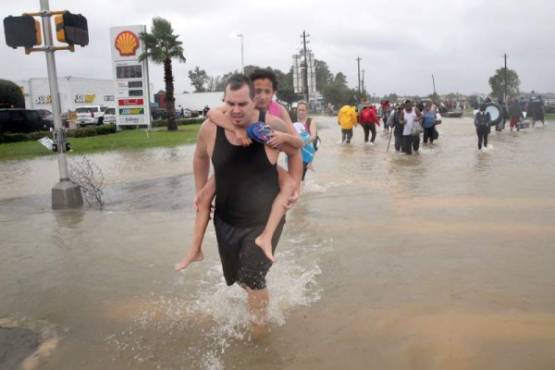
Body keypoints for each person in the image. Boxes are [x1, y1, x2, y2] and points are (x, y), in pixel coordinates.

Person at [182, 74, 303, 336]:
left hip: (263, 218)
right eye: (231, 104)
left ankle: (259, 333)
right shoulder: (210, 129)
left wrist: (294, 184)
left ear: (255, 103)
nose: (236, 110)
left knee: (253, 278)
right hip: (226, 218)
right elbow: (200, 158)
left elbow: (296, 152)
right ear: (224, 102)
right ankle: (256, 298)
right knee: (237, 279)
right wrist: (201, 190)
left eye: (242, 104)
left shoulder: (271, 125)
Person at [295, 100, 318, 180]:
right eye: (299, 110)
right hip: (296, 151)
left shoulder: (310, 121)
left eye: (303, 110)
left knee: (300, 176)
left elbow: (313, 136)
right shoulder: (294, 122)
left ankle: (300, 191)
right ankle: (302, 190)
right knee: (296, 175)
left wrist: (302, 143)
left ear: (307, 111)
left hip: (307, 152)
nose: (301, 112)